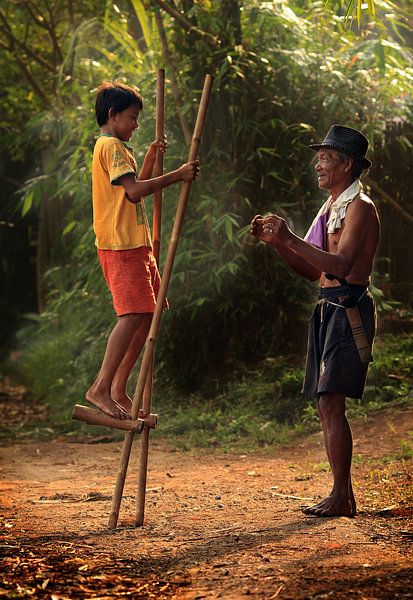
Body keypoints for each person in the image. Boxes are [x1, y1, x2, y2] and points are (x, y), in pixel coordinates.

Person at [251, 125, 380, 517]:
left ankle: (342, 495)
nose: (318, 164)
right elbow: (311, 270)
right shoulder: (330, 208)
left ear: (346, 164)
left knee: (330, 400)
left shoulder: (361, 208)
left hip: (349, 307)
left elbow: (341, 265)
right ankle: (342, 494)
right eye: (319, 156)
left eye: (325, 157)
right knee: (327, 404)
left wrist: (290, 238)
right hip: (328, 306)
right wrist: (278, 243)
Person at [86, 81, 199, 420]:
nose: (136, 124)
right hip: (121, 244)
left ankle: (119, 387)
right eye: (132, 118)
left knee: (149, 313)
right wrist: (179, 175)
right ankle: (101, 387)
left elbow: (130, 190)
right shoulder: (112, 147)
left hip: (135, 244)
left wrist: (150, 159)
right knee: (133, 314)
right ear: (113, 115)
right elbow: (135, 192)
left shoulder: (114, 147)